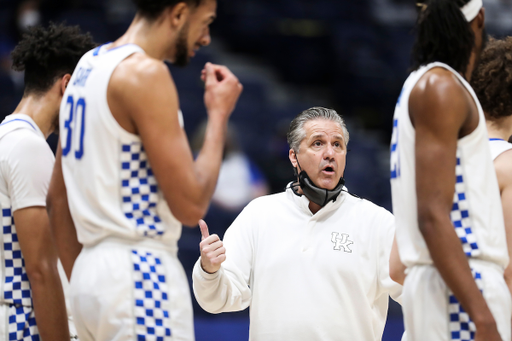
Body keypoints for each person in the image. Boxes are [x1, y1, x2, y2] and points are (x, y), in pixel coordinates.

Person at [46, 0, 243, 340]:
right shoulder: (145, 73)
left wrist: (85, 276)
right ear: (179, 13)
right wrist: (219, 115)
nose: (207, 38)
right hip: (138, 274)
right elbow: (191, 205)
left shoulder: (85, 67)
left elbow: (56, 198)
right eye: (205, 22)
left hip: (87, 280)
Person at [193, 107, 402, 341]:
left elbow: (419, 294)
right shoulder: (259, 214)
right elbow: (219, 299)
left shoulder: (377, 222)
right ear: (294, 156)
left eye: (337, 144)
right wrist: (209, 271)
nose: (330, 153)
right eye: (318, 144)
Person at [389, 0, 511, 340]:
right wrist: (483, 319)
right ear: (480, 18)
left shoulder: (424, 83)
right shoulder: (441, 88)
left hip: (444, 285)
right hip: (462, 288)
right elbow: (432, 214)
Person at [0, 23, 95, 341]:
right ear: (67, 84)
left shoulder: (6, 139)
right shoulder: (27, 146)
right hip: (21, 324)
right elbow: (41, 270)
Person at [471, 35, 512, 328]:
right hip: (486, 317)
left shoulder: (430, 158)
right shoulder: (508, 165)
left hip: (427, 312)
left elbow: (397, 269)